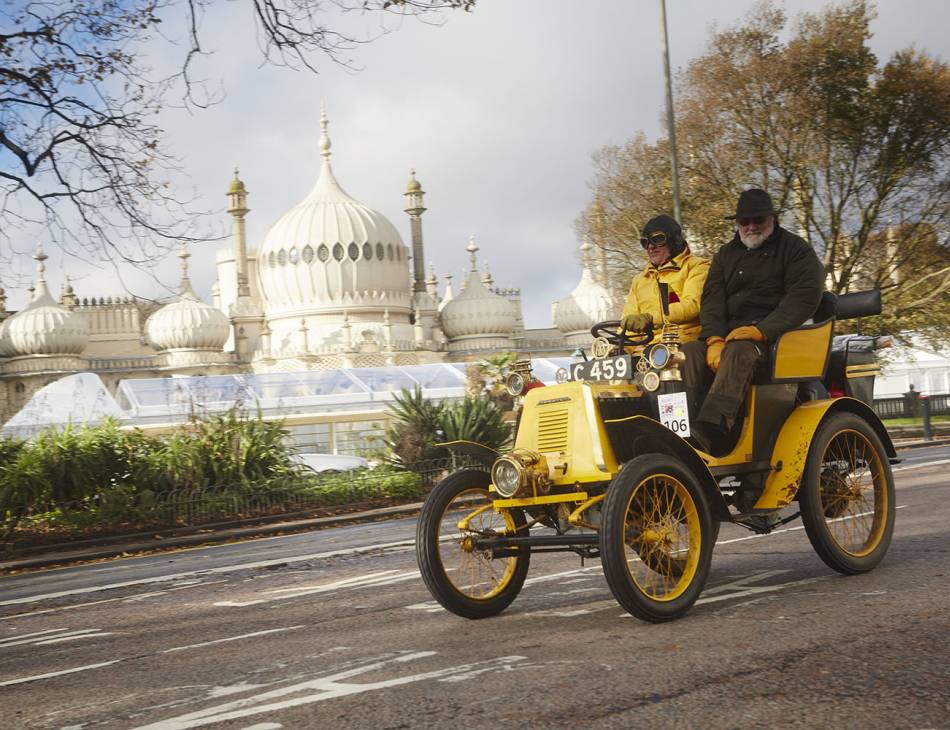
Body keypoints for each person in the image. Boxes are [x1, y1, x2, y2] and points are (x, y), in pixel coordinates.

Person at [681, 189, 825, 454]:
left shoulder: (796, 250)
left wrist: (761, 331)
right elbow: (711, 300)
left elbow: (803, 298)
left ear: (772, 218)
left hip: (775, 341)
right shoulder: (725, 255)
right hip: (728, 337)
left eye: (758, 220)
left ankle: (712, 430)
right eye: (744, 222)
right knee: (687, 353)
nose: (751, 227)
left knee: (738, 350)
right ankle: (683, 430)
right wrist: (713, 339)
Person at [619, 214, 709, 346]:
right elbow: (628, 324)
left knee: (690, 354)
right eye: (645, 242)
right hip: (647, 349)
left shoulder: (697, 266)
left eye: (658, 239)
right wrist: (617, 347)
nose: (650, 247)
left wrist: (651, 319)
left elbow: (692, 305)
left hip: (683, 342)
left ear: (674, 241)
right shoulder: (639, 281)